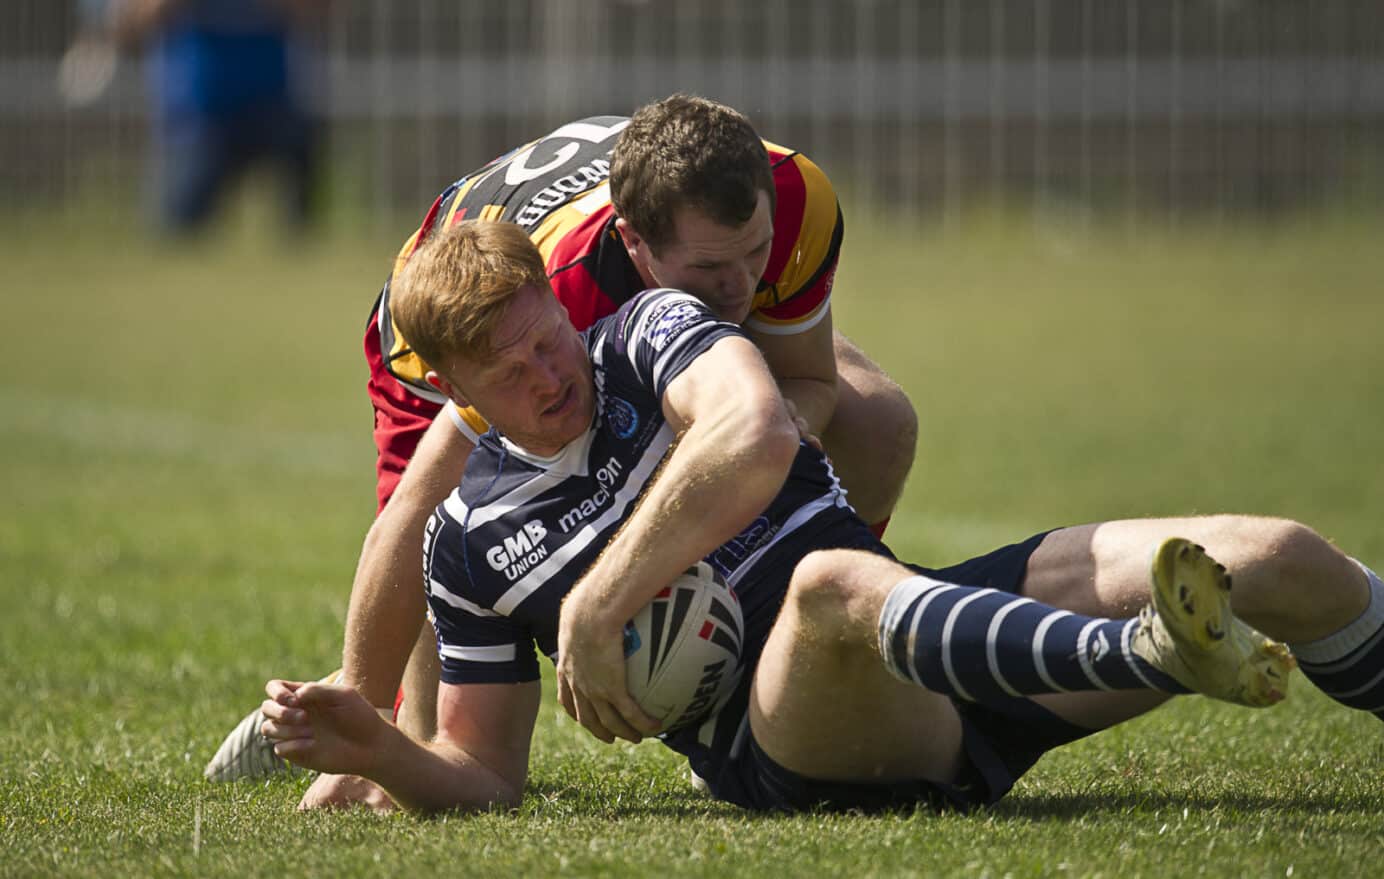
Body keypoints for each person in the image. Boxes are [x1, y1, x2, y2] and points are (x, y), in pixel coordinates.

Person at [258, 221, 1381, 815]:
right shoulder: (469, 542)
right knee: (825, 588)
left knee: (1274, 558)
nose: (548, 376)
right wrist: (381, 752)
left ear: (561, 303)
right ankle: (1147, 649)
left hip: (929, 640)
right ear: (456, 396)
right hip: (796, 737)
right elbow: (485, 775)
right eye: (507, 374)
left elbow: (757, 433)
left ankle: (1172, 640)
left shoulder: (646, 333)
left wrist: (599, 602)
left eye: (546, 338)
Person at [205, 95, 919, 800]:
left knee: (880, 424)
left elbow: (805, 379)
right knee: (449, 559)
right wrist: (359, 724)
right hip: (451, 308)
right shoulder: (549, 325)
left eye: (756, 253)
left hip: (597, 245)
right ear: (639, 243)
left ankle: (808, 664)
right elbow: (416, 516)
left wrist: (765, 431)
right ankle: (369, 720)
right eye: (708, 270)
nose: (740, 285)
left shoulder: (793, 199)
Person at [79, 0, 325, 233]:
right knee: (174, 230)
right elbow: (124, 27)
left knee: (301, 139)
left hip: (271, 107)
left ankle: (301, 234)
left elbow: (320, 13)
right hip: (196, 119)